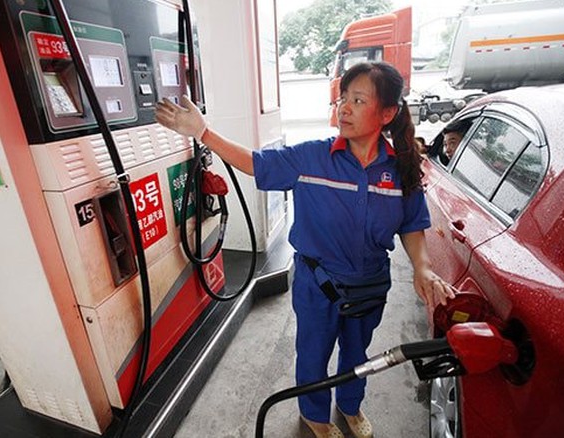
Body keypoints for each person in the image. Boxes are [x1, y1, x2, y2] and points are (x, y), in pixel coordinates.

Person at [156, 61, 454, 438]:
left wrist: (422, 267)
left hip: (370, 283)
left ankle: (350, 406)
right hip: (317, 284)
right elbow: (255, 163)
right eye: (342, 99)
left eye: (358, 100)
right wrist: (203, 132)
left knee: (357, 354)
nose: (344, 108)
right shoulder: (312, 157)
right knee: (313, 353)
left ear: (387, 113)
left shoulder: (402, 169)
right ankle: (315, 416)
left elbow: (412, 225)